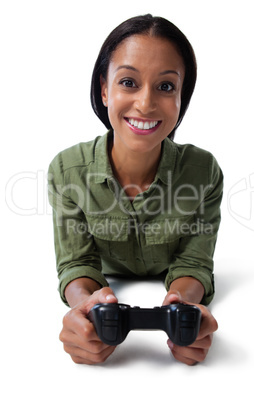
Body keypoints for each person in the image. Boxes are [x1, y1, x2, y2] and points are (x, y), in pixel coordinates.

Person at [48, 14, 223, 366]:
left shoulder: (204, 172)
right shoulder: (67, 172)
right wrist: (86, 301)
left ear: (181, 96)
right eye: (128, 82)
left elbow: (194, 261)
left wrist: (183, 300)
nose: (145, 104)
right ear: (104, 89)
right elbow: (76, 262)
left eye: (166, 86)